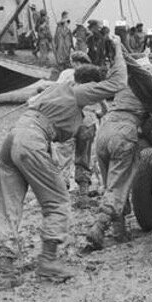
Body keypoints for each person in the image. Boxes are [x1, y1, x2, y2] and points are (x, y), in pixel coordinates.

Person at [0, 37, 127, 290]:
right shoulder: (78, 92)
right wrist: (119, 48)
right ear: (90, 86)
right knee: (58, 202)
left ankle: (5, 270)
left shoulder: (56, 88)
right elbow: (118, 82)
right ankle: (48, 262)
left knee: (8, 206)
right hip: (32, 139)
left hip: (13, 138)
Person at [84, 55, 149, 251]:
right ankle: (99, 226)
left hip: (105, 130)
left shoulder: (123, 86)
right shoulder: (146, 85)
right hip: (124, 131)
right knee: (119, 185)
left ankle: (120, 232)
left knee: (110, 186)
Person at [49, 51, 100, 205]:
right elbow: (102, 102)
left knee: (63, 156)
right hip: (88, 121)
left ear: (74, 62)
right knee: (84, 157)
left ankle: (60, 193)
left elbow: (56, 93)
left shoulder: (66, 74)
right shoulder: (92, 76)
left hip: (68, 120)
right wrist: (99, 113)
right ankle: (83, 193)